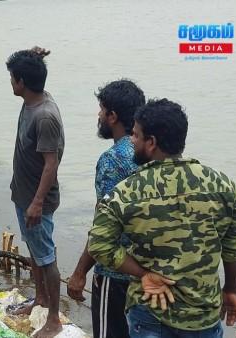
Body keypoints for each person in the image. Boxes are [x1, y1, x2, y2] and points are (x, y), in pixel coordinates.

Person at [88, 98, 236, 337]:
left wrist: (143, 274)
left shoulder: (125, 193)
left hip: (151, 310)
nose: (132, 140)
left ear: (151, 143)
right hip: (203, 314)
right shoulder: (225, 187)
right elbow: (233, 246)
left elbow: (99, 245)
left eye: (136, 136)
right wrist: (231, 290)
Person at [67, 79, 145, 338]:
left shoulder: (112, 160)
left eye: (101, 109)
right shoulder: (150, 154)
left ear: (113, 116)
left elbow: (104, 226)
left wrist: (79, 273)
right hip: (148, 272)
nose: (98, 116)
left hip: (115, 274)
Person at [6, 49, 65, 338]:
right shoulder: (31, 100)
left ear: (21, 82)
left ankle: (54, 319)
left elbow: (51, 164)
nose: (10, 83)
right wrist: (31, 55)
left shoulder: (44, 116)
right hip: (24, 192)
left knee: (46, 256)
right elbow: (32, 71)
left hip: (36, 200)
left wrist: (37, 203)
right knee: (34, 248)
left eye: (12, 78)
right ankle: (40, 298)